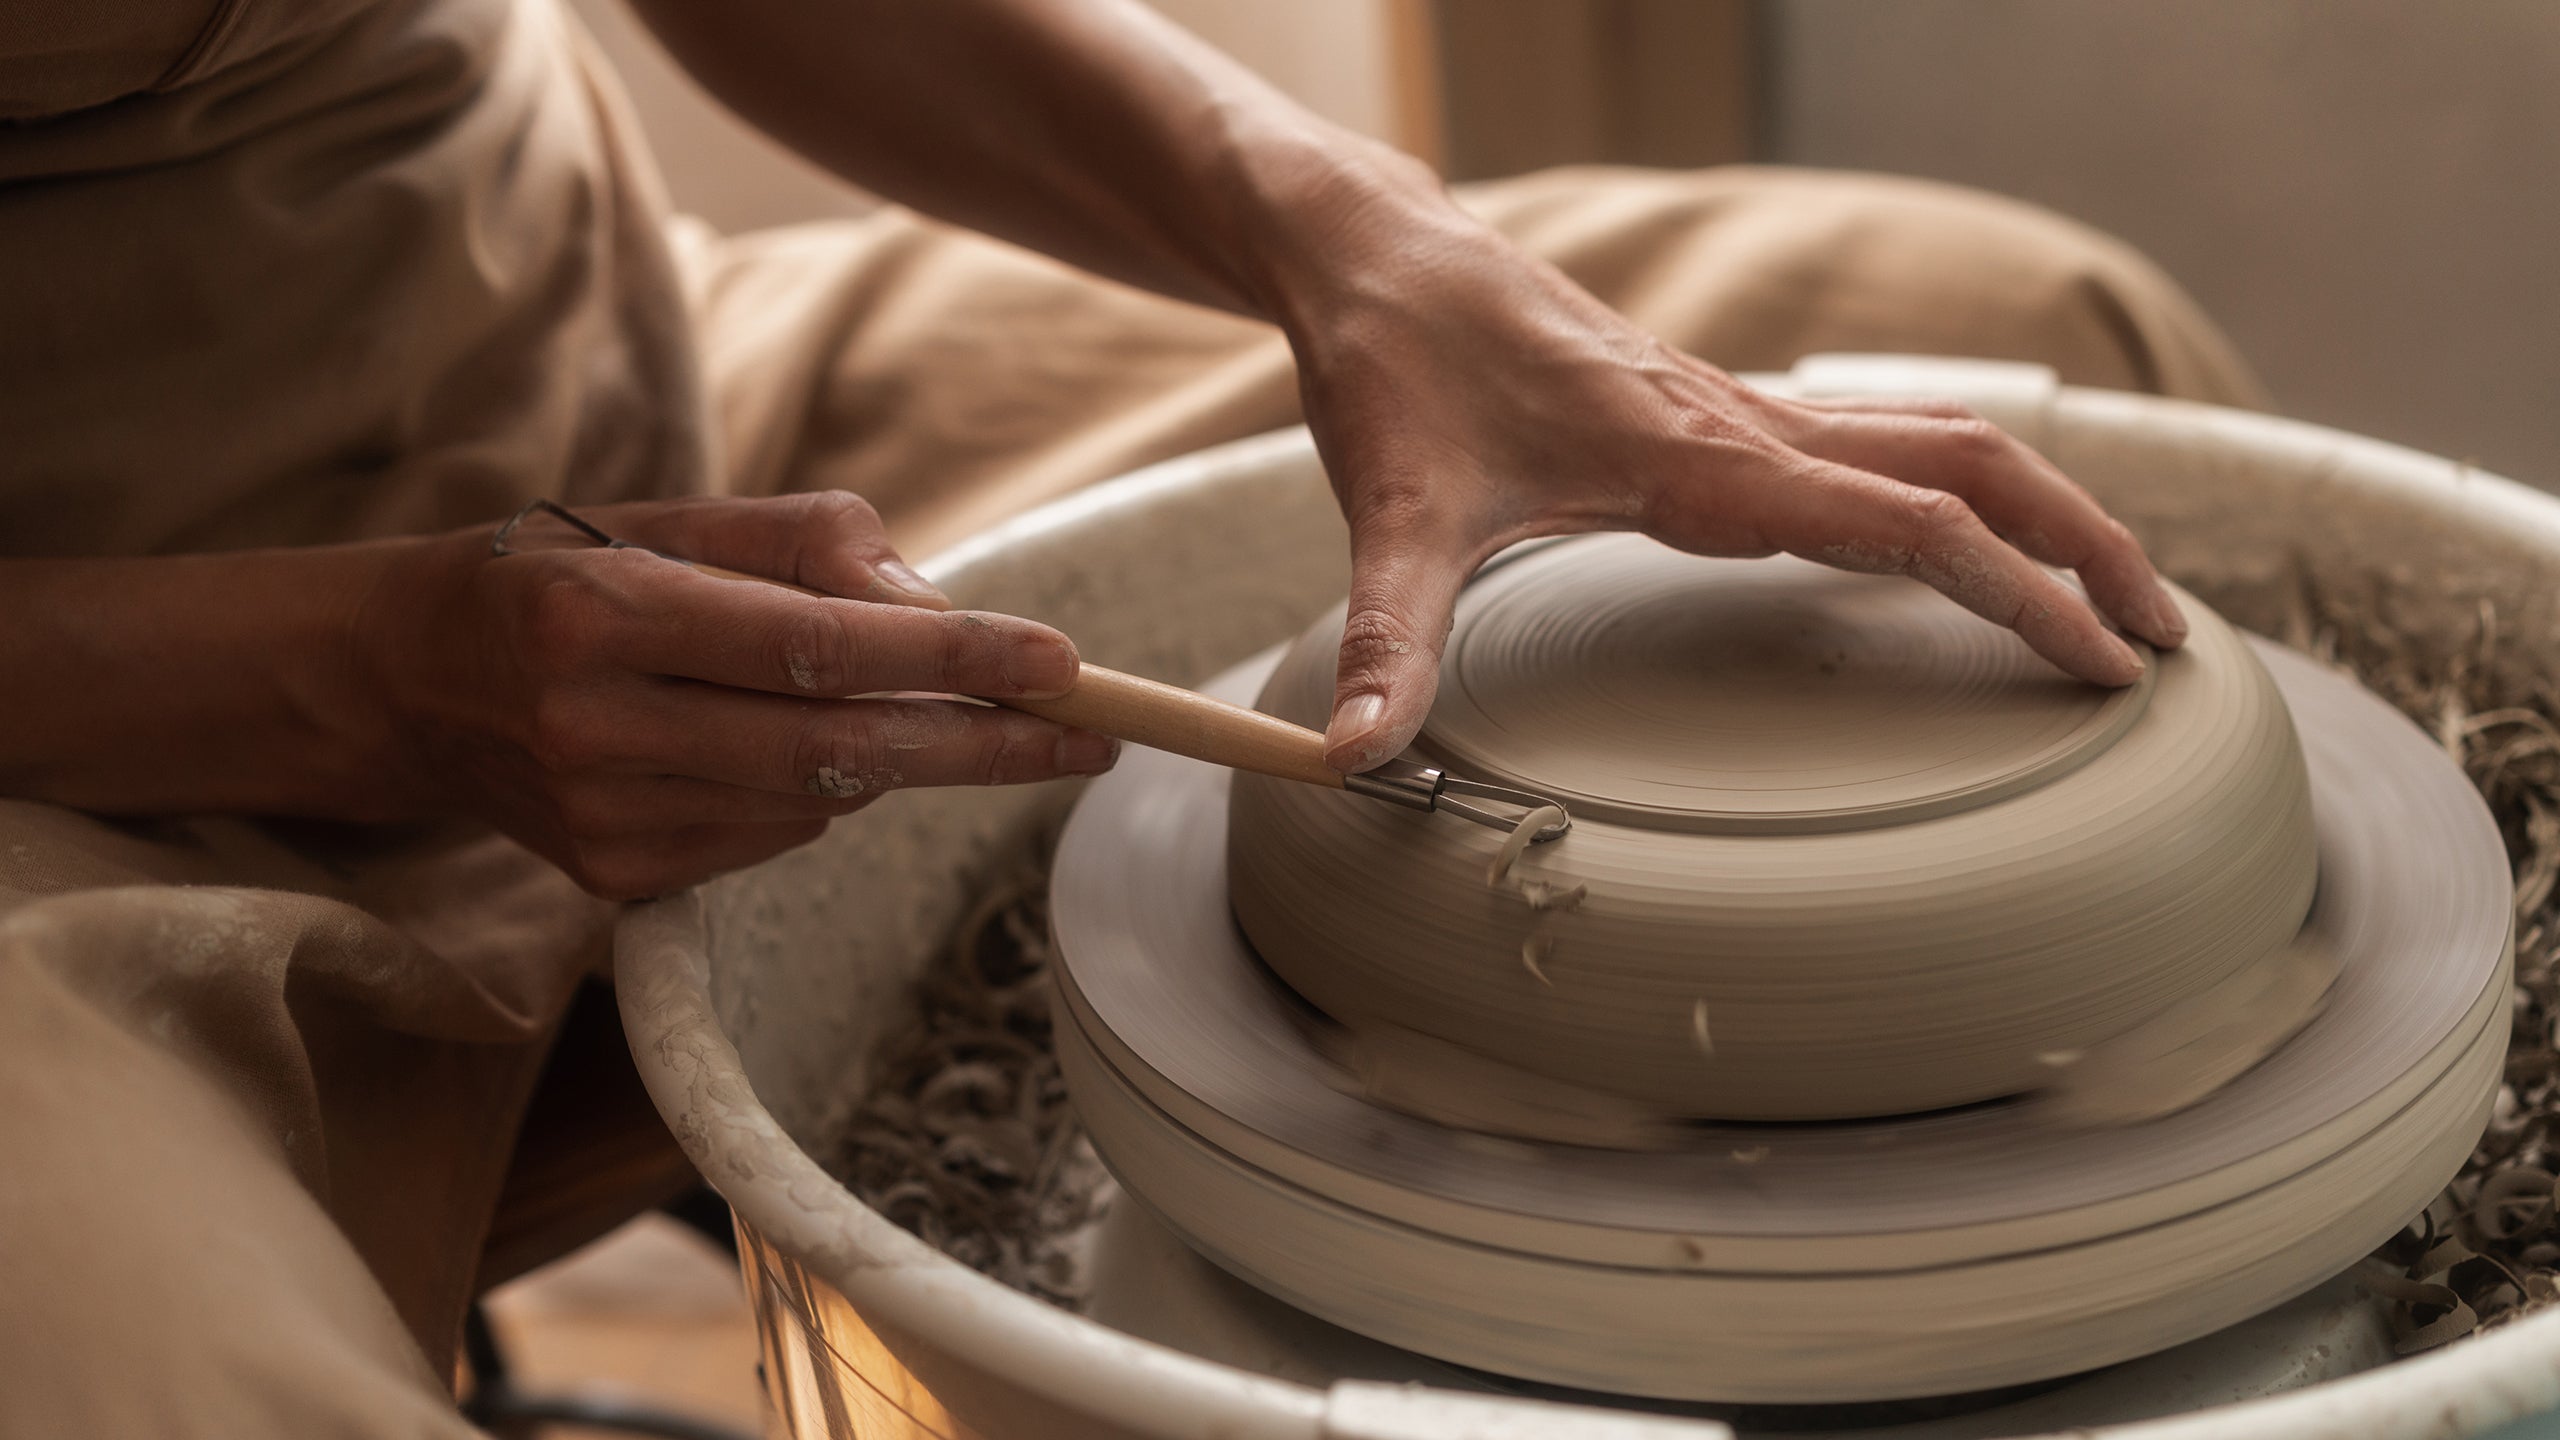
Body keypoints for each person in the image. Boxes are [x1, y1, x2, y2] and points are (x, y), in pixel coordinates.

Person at [0, 0, 2264, 1431]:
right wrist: (367, 672)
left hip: (590, 382)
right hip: (86, 702)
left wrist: (1352, 237)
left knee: (2019, 335)